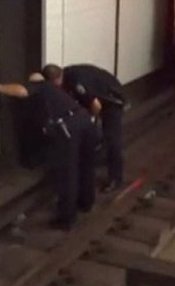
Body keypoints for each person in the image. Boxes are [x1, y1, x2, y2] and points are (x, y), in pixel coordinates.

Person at [0, 70, 98, 230]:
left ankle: (67, 218)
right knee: (86, 166)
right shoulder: (55, 91)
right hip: (85, 120)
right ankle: (86, 203)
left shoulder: (41, 86)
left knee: (68, 173)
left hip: (69, 128)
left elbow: (21, 91)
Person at [42, 64, 127, 193]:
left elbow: (95, 105)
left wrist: (91, 120)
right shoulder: (65, 76)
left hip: (111, 99)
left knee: (112, 138)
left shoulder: (76, 82)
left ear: (57, 79)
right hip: (98, 94)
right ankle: (101, 157)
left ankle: (115, 177)